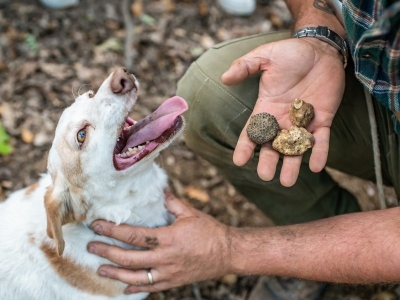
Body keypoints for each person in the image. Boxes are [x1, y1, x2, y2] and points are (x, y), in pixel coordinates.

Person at [86, 0, 400, 297]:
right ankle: (327, 230)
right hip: (380, 79)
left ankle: (326, 251)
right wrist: (319, 36)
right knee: (212, 98)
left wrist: (230, 250)